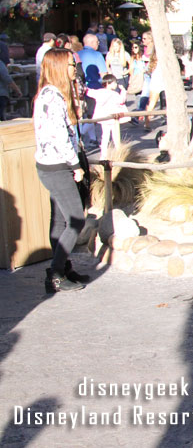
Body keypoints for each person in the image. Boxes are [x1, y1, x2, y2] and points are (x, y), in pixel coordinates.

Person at [33, 48, 91, 293]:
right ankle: (56, 274)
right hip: (58, 166)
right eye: (70, 65)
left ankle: (62, 268)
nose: (74, 70)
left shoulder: (51, 95)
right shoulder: (51, 97)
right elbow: (59, 137)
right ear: (58, 67)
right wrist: (75, 166)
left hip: (53, 165)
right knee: (76, 220)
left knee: (59, 220)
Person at [86, 74, 128, 158]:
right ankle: (119, 153)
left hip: (104, 118)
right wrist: (123, 91)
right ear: (108, 83)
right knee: (116, 137)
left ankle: (103, 155)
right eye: (114, 83)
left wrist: (83, 88)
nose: (116, 84)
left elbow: (89, 92)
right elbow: (121, 101)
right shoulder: (114, 94)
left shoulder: (99, 92)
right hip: (113, 119)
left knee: (105, 137)